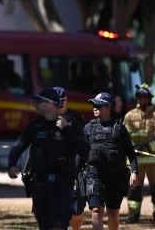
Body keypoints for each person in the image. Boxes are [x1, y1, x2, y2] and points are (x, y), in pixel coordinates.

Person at [7, 87, 91, 230]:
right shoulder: (34, 126)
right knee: (44, 226)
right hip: (39, 186)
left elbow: (85, 150)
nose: (35, 105)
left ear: (49, 104)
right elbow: (18, 146)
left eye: (38, 102)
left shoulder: (69, 125)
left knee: (59, 226)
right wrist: (11, 164)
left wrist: (67, 130)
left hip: (62, 186)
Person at [83, 92, 138, 230]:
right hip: (94, 175)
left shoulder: (119, 129)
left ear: (108, 107)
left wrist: (134, 171)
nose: (94, 107)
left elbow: (130, 153)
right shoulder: (88, 128)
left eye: (98, 105)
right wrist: (74, 176)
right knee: (96, 210)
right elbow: (80, 154)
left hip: (115, 176)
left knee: (113, 213)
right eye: (93, 105)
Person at [124, 83, 155, 223]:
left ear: (150, 97)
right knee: (134, 190)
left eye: (145, 96)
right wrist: (134, 147)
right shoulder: (129, 116)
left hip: (153, 160)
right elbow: (124, 135)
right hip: (135, 160)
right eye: (140, 96)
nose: (142, 99)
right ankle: (133, 215)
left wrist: (149, 147)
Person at [52, 87, 88, 230]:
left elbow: (83, 147)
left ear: (65, 101)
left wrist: (75, 175)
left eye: (60, 103)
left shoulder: (76, 119)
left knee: (76, 210)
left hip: (74, 170)